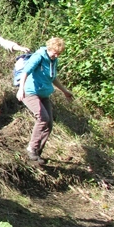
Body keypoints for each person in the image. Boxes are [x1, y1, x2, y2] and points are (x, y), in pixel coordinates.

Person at [16, 37, 73, 165]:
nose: (56, 55)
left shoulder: (54, 60)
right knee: (43, 118)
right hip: (30, 92)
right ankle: (31, 148)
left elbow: (53, 78)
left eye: (59, 53)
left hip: (44, 94)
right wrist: (21, 89)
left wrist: (65, 91)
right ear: (49, 48)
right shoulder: (39, 56)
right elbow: (25, 71)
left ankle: (37, 153)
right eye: (55, 52)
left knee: (49, 125)